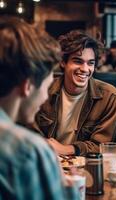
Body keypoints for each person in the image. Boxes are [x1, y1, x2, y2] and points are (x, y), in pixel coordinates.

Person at [0, 17, 76, 199]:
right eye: (46, 87)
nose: (45, 97)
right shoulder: (27, 150)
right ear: (27, 86)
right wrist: (68, 189)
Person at [34, 30, 116, 156]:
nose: (85, 69)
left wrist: (68, 149)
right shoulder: (43, 91)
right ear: (63, 62)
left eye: (90, 63)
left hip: (85, 165)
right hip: (47, 160)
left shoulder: (109, 96)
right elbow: (29, 134)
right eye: (78, 61)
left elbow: (102, 145)